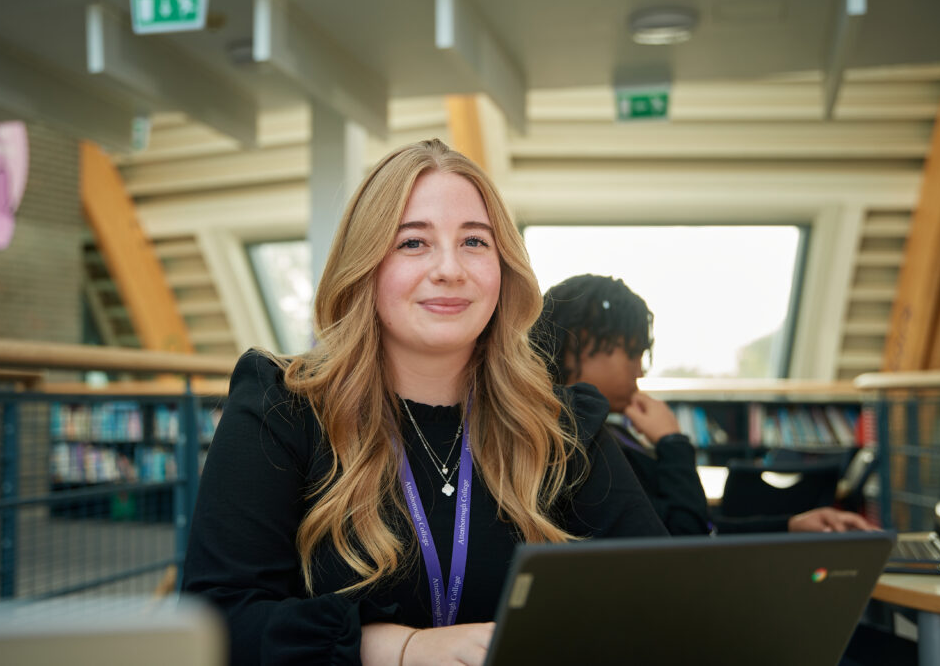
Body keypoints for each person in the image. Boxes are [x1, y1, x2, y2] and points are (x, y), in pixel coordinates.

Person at [182, 141, 667, 666]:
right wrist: (397, 647)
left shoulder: (563, 424)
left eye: (475, 243)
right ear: (365, 263)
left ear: (503, 268)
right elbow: (216, 620)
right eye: (413, 243)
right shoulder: (283, 408)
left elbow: (660, 595)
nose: (450, 269)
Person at [529, 273, 876, 536]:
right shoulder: (575, 444)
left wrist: (788, 526)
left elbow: (697, 528)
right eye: (632, 353)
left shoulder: (610, 432)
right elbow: (685, 538)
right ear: (578, 343)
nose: (640, 368)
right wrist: (672, 443)